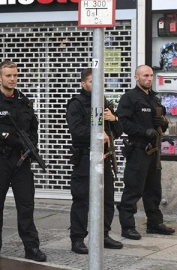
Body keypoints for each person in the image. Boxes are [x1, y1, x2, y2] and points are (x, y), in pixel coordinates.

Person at [0, 60, 46, 262]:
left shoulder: (23, 100)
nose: (13, 79)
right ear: (0, 77)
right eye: (8, 75)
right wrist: (4, 136)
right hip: (0, 160)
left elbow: (33, 127)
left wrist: (31, 145)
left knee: (26, 205)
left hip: (22, 162)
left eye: (15, 75)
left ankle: (31, 247)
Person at [65, 68, 123, 254]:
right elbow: (76, 130)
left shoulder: (104, 102)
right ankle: (77, 238)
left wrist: (113, 119)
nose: (96, 86)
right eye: (92, 82)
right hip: (84, 157)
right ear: (83, 83)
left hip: (104, 158)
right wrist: (98, 133)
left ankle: (103, 235)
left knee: (107, 199)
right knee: (81, 199)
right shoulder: (76, 103)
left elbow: (118, 131)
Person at [117, 65, 175, 240]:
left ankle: (154, 223)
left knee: (153, 189)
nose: (149, 78)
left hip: (154, 150)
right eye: (145, 76)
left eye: (150, 75)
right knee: (133, 189)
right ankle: (127, 227)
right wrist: (144, 131)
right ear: (136, 78)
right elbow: (123, 123)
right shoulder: (129, 98)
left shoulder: (155, 98)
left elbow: (163, 124)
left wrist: (163, 122)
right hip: (138, 149)